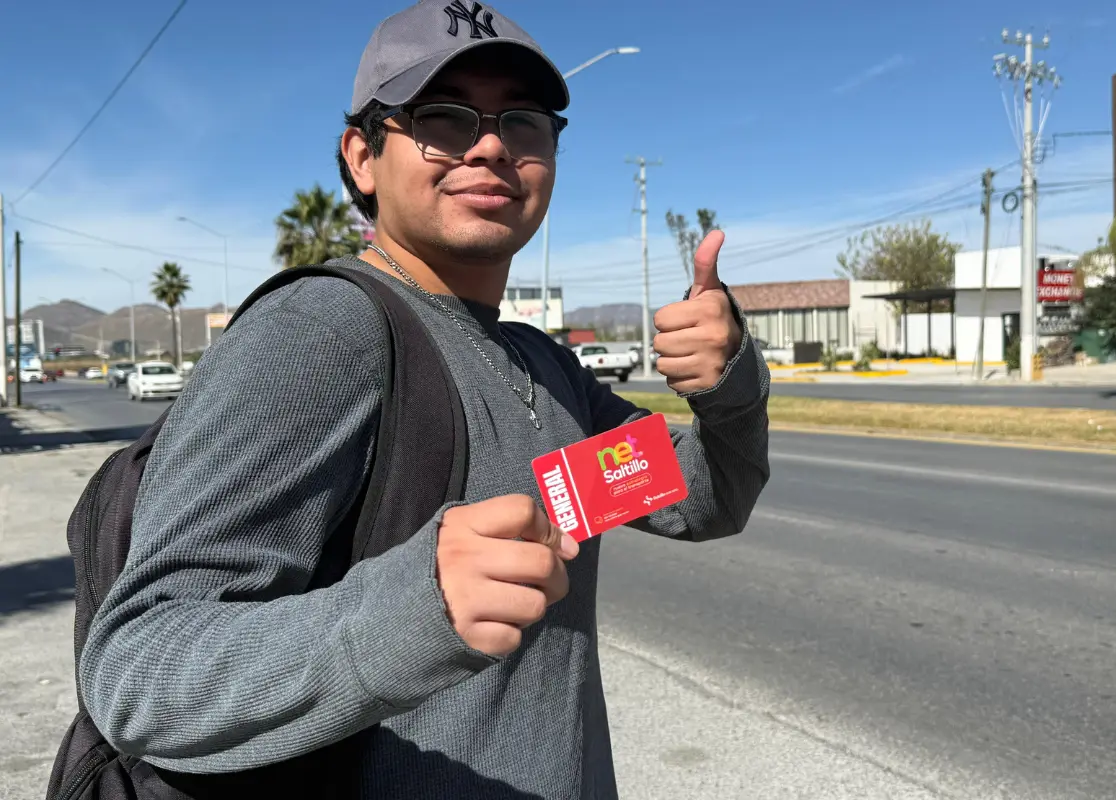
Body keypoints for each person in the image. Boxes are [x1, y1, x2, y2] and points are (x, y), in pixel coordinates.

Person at [79, 2, 770, 797]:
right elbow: (141, 673)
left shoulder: (543, 367)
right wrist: (412, 611)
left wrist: (728, 387)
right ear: (362, 158)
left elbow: (703, 500)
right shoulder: (323, 332)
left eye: (523, 122)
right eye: (441, 118)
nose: (490, 146)